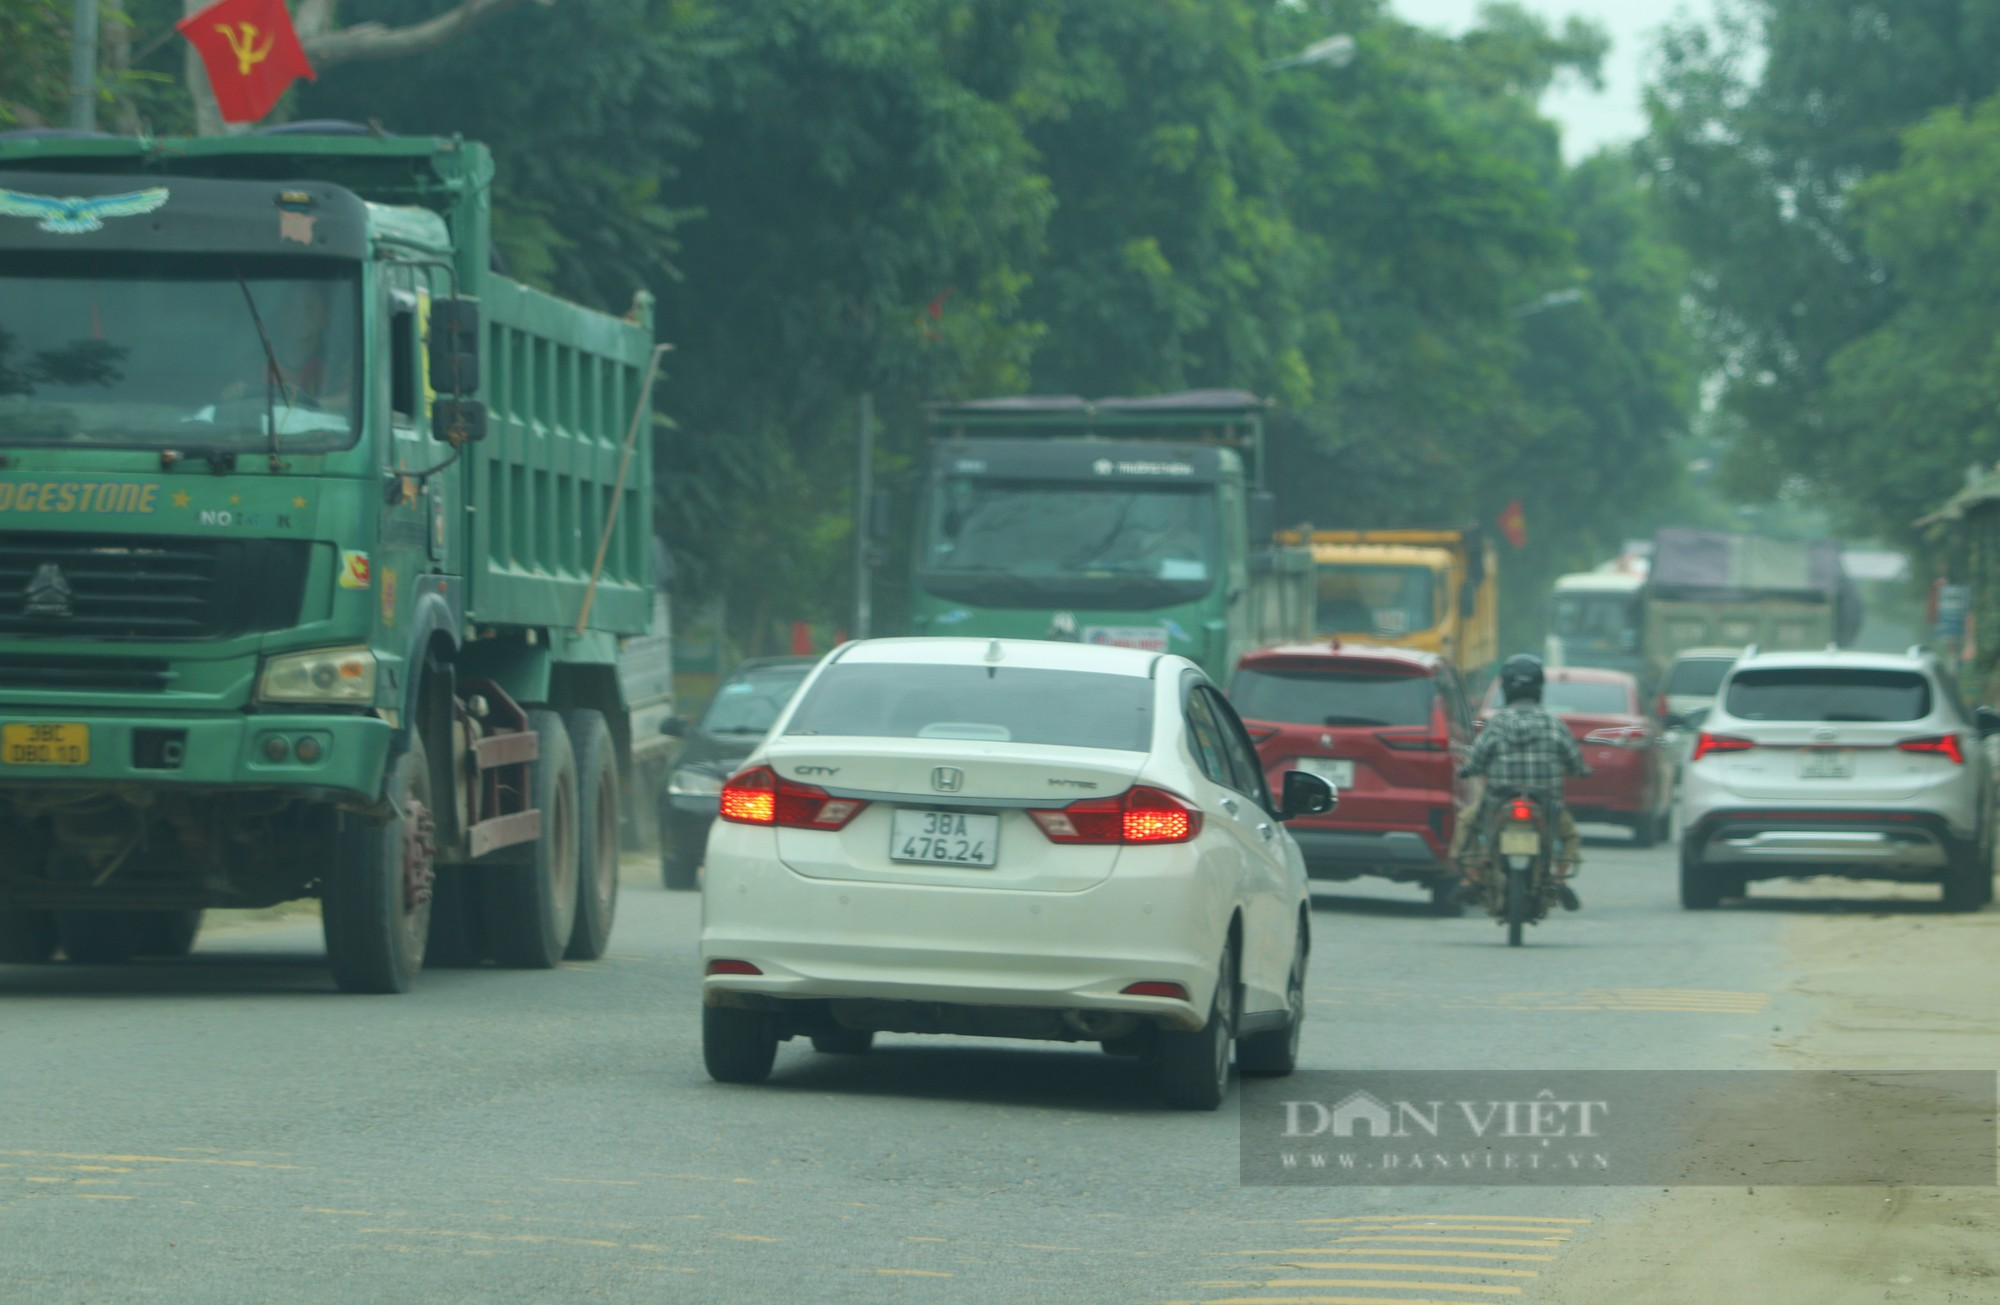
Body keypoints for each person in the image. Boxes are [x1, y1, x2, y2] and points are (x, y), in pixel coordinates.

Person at [1448, 653, 1588, 910]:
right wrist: (1580, 770)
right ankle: (1559, 877)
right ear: (1539, 688)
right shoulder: (1554, 724)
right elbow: (1574, 760)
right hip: (1546, 800)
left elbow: (1477, 759)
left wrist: (1467, 770)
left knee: (1467, 822)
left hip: (1499, 797)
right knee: (1569, 835)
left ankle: (1471, 879)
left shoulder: (1497, 723)